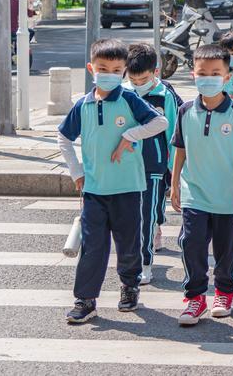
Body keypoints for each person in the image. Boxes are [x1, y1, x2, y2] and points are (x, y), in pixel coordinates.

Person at [57, 39, 169, 323]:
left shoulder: (130, 99)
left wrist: (129, 136)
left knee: (128, 244)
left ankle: (129, 287)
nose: (108, 73)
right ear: (90, 68)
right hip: (94, 189)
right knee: (93, 247)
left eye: (116, 69)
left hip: (129, 188)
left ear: (123, 73)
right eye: (102, 67)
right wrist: (77, 173)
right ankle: (85, 299)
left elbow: (160, 123)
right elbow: (64, 137)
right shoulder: (82, 104)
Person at [170, 44, 233, 325]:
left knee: (226, 248)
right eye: (202, 72)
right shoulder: (185, 111)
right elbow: (180, 150)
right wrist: (174, 185)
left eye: (215, 73)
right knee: (191, 244)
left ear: (227, 76)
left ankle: (223, 292)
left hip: (228, 196)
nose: (208, 78)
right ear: (193, 74)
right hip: (195, 193)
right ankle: (195, 298)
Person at [123, 43, 181, 285]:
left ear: (155, 72)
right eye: (133, 79)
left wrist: (173, 168)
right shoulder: (122, 93)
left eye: (143, 79)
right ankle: (140, 250)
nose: (138, 84)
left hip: (154, 165)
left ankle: (145, 263)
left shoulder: (164, 95)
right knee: (132, 217)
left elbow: (175, 134)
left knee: (149, 213)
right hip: (125, 165)